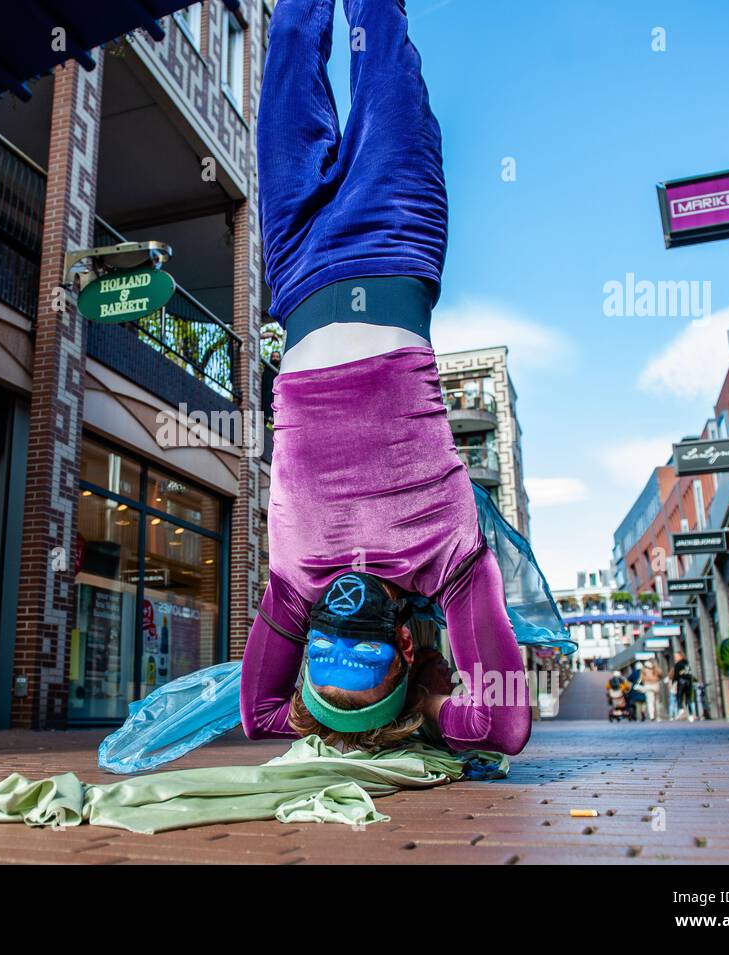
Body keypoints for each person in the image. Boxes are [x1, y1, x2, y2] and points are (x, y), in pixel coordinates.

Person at [239, 0, 532, 756]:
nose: (342, 630)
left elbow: (259, 715)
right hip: (393, 234)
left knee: (292, 39)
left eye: (323, 657)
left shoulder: (294, 584)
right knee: (384, 41)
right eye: (359, 657)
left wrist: (338, 726)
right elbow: (504, 726)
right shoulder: (446, 561)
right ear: (403, 648)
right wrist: (430, 712)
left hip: (296, 265)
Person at [671, 652, 696, 722]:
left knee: (679, 696)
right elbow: (690, 673)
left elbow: (676, 675)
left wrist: (673, 682)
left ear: (680, 656)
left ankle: (680, 708)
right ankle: (691, 715)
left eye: (676, 656)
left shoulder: (678, 664)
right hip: (689, 682)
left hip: (681, 682)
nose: (675, 658)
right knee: (688, 699)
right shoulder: (687, 664)